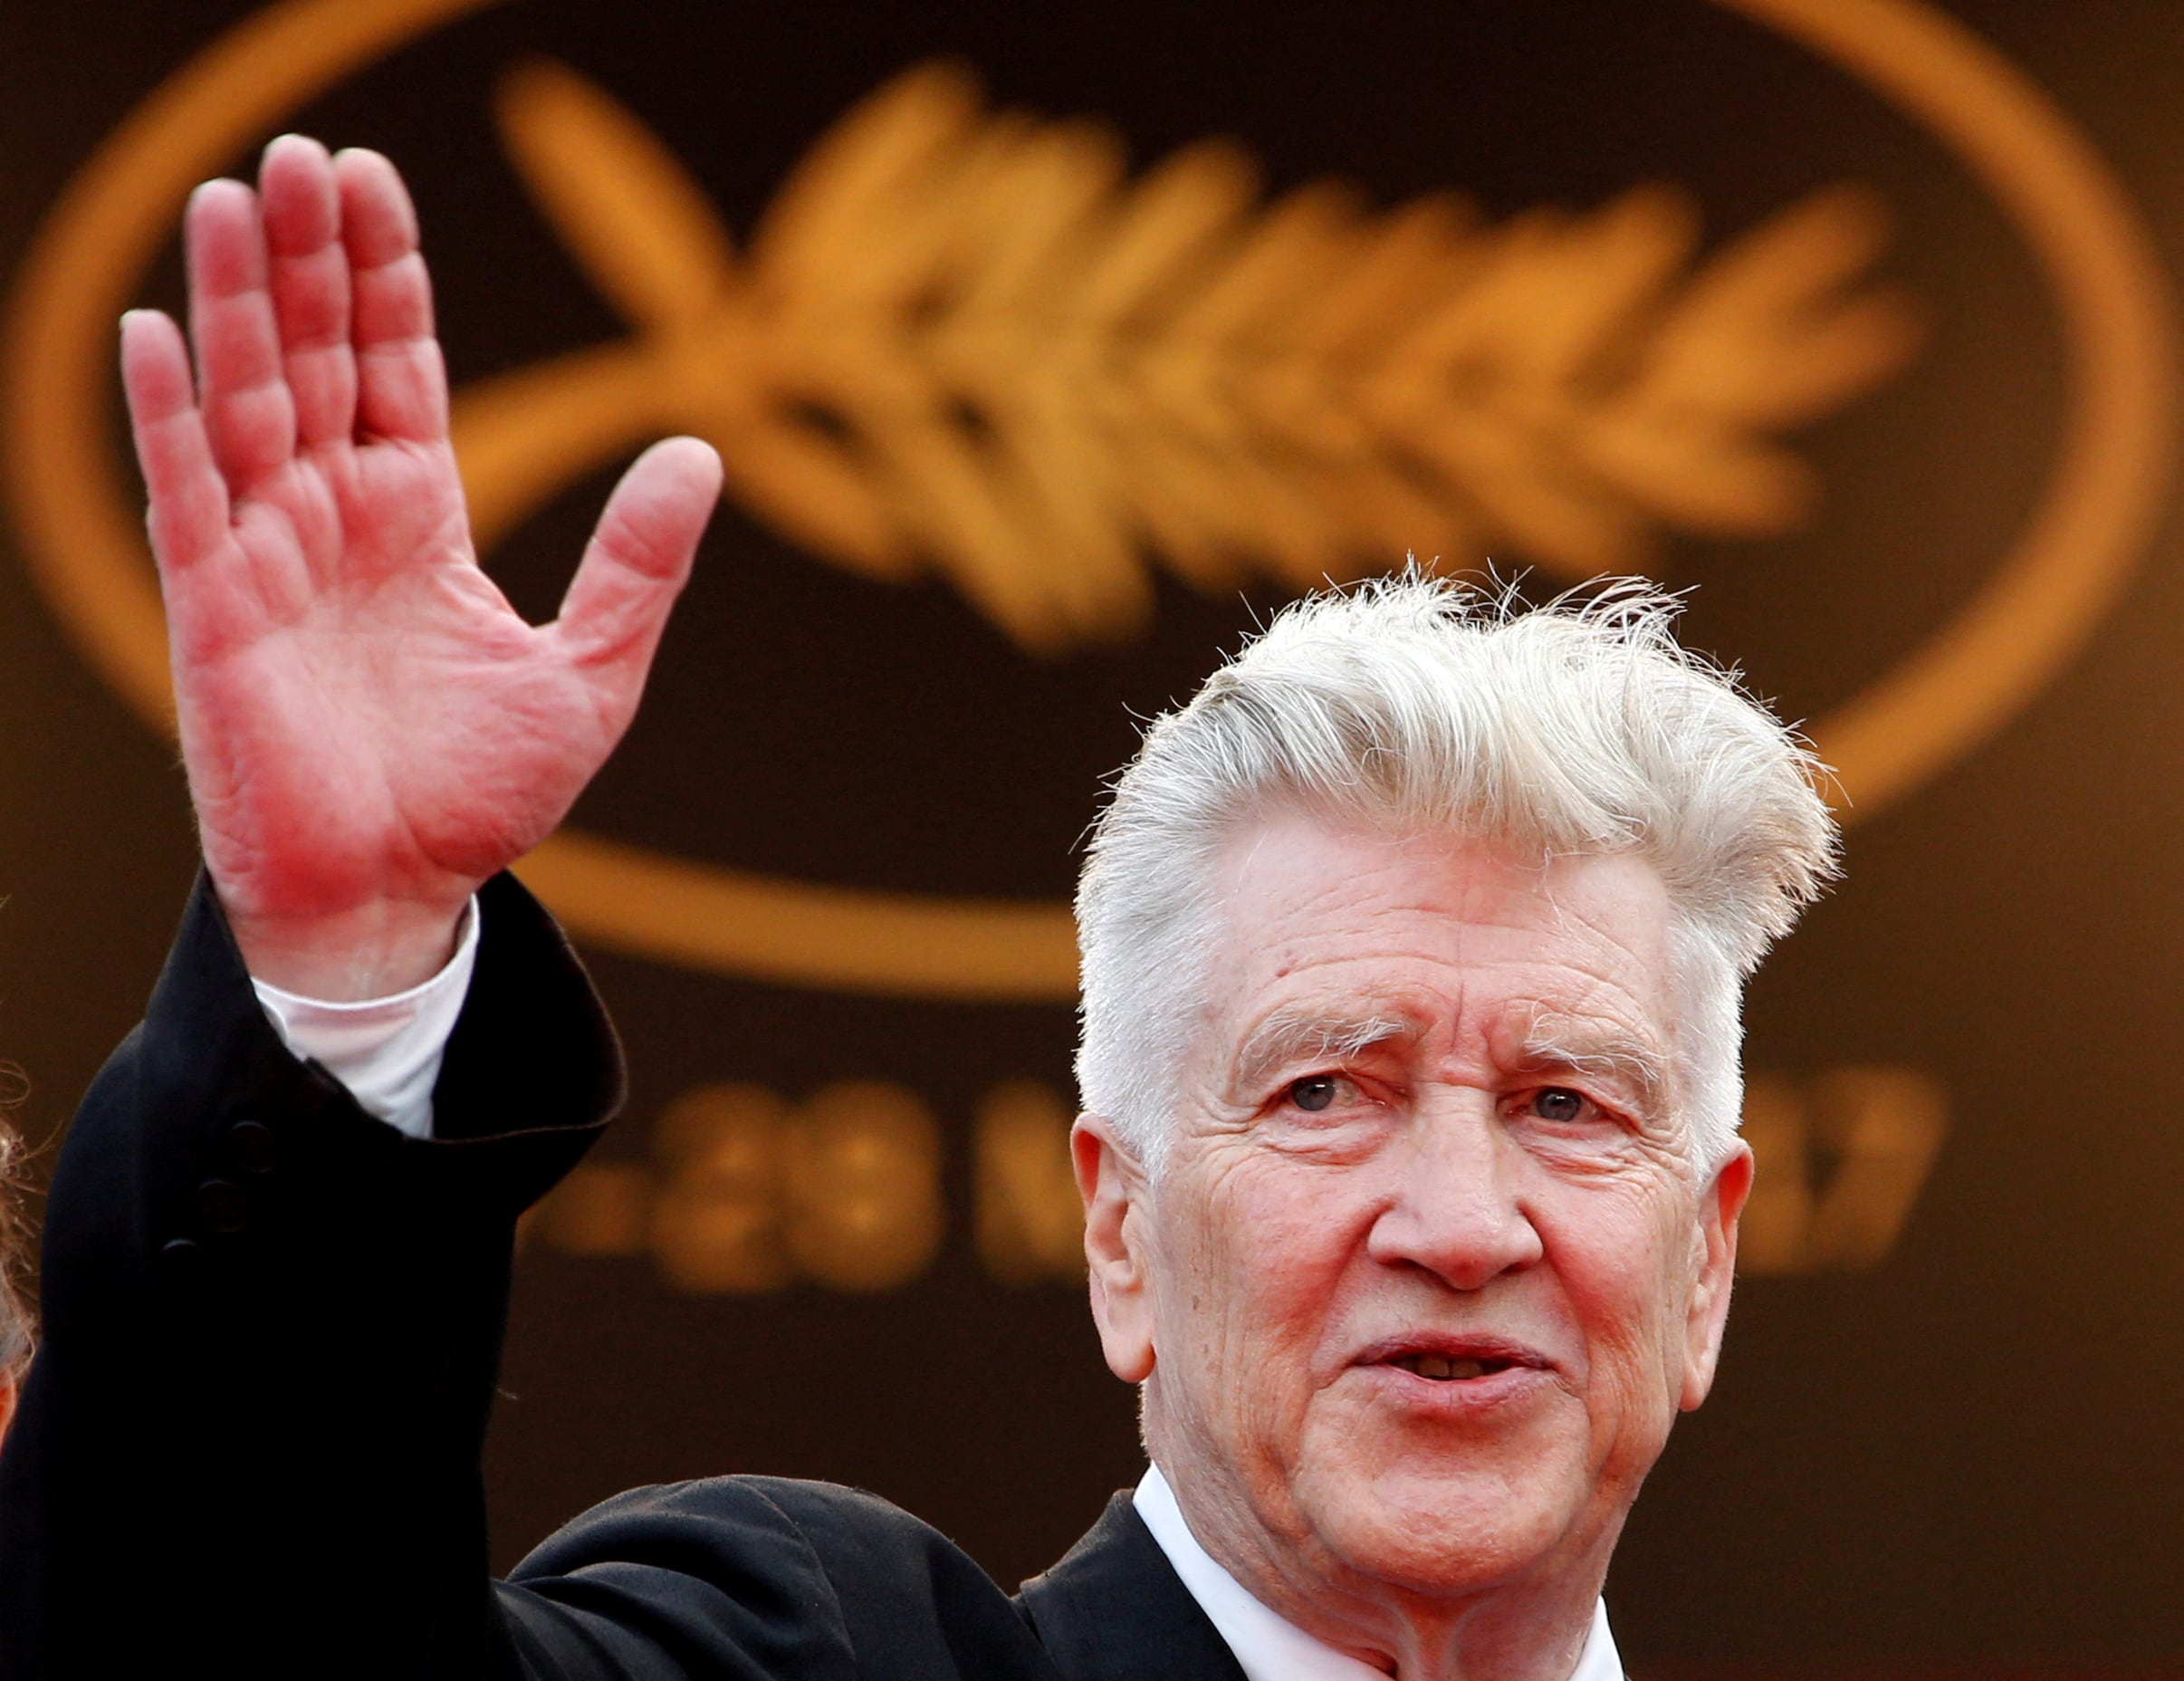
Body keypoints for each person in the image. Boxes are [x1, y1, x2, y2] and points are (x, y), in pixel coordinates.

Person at [0, 135, 1836, 1681]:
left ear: (1706, 1267)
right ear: (1120, 1229)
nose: (1456, 1221)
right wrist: (343, 975)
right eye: (1321, 1090)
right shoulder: (823, 1648)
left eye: (1569, 1105)